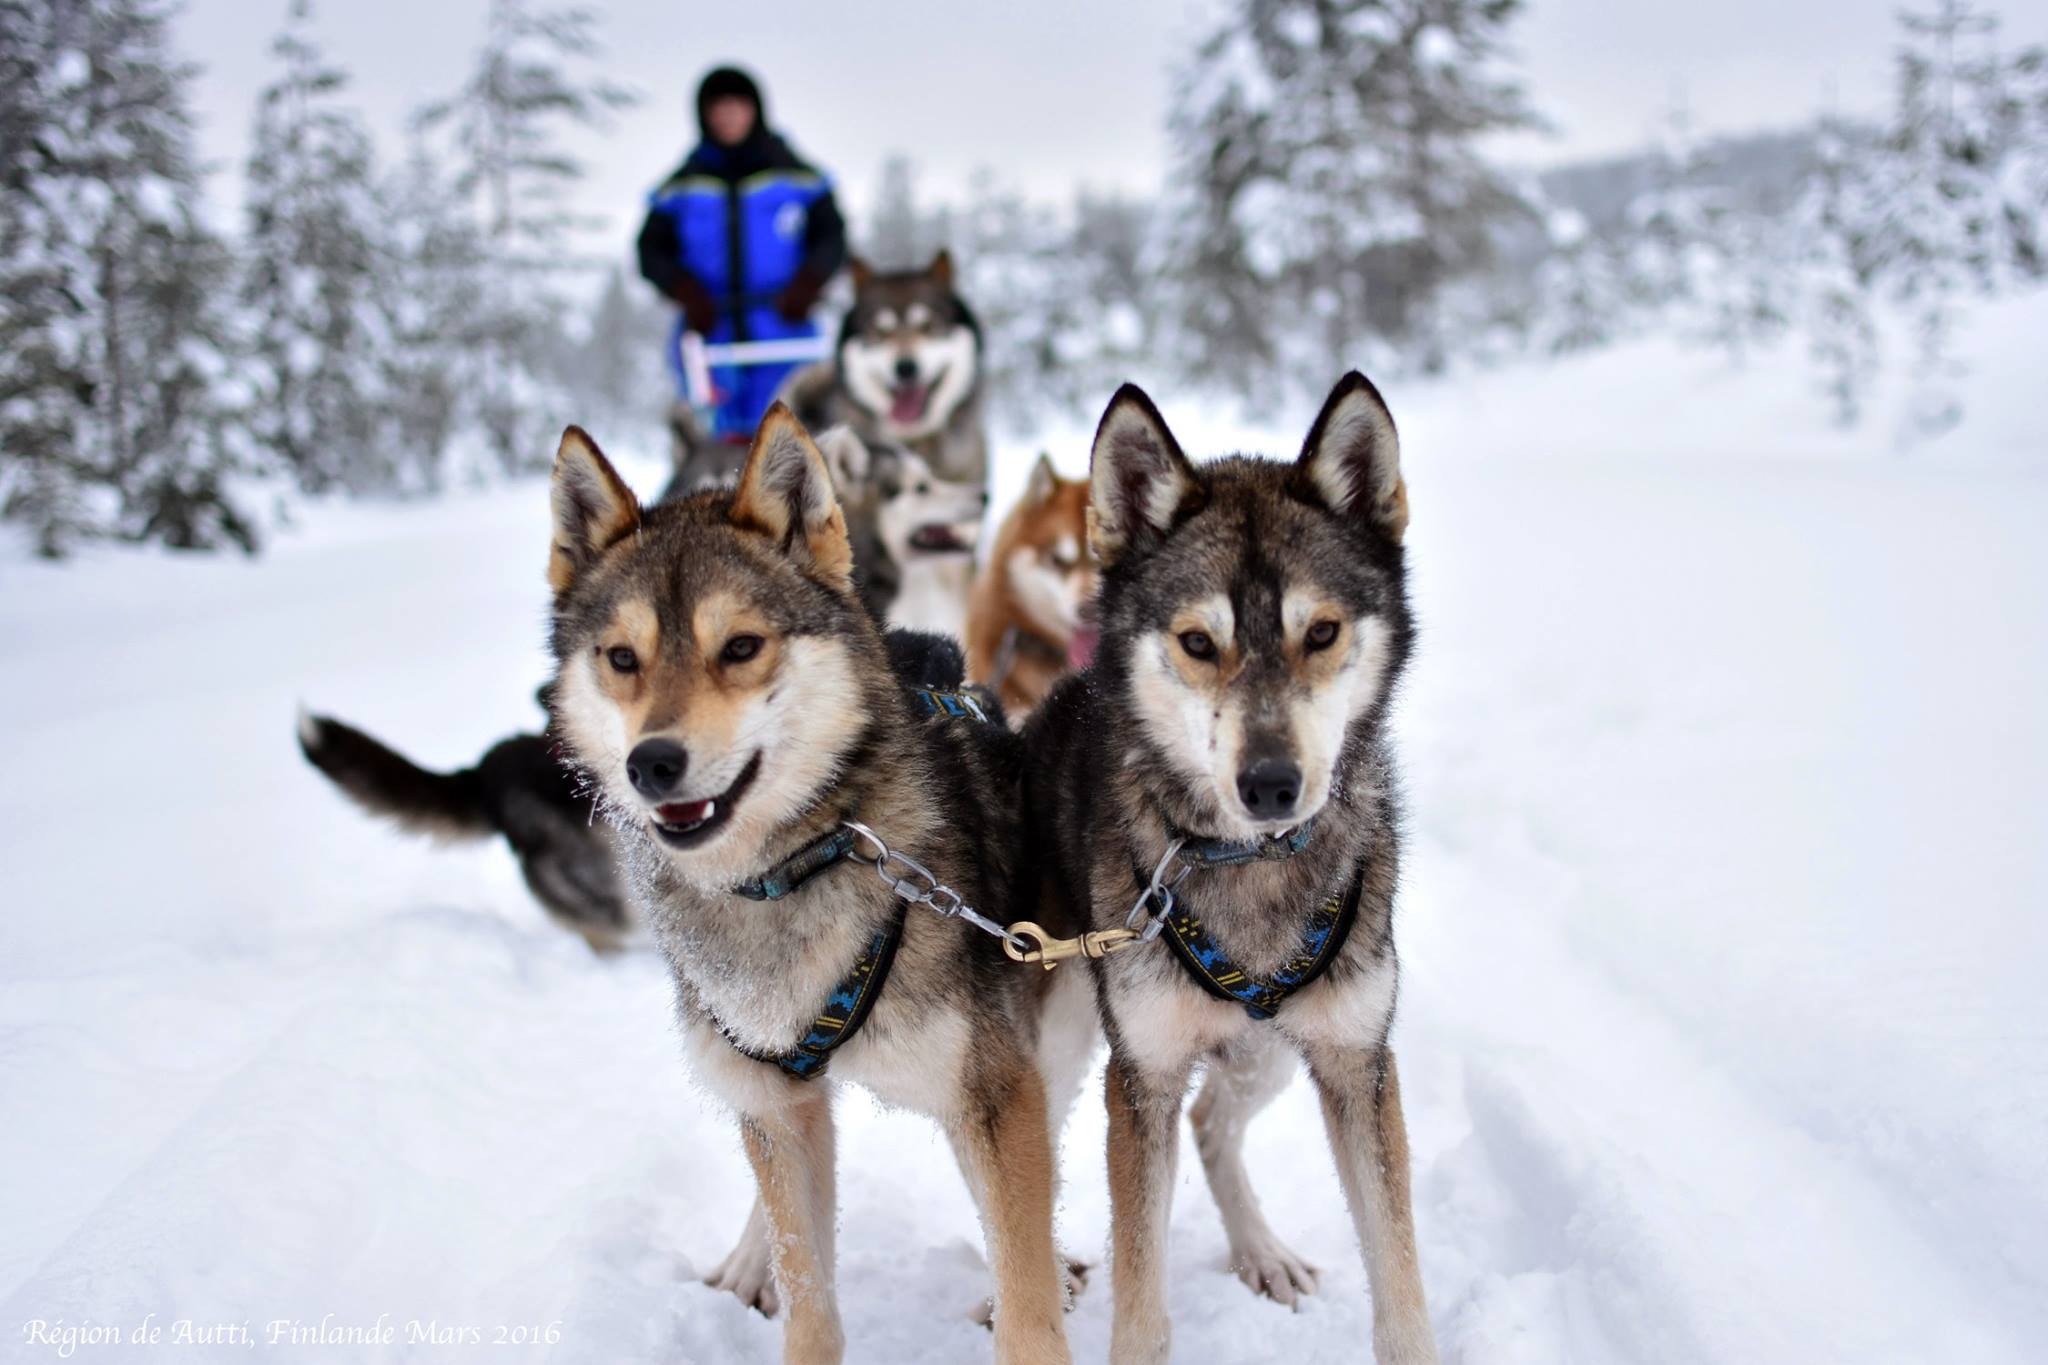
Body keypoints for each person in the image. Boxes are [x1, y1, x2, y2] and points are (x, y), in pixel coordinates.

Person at [637, 67, 847, 440]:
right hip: (710, 328)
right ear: (704, 116)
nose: (729, 117)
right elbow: (650, 252)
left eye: (737, 107)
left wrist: (809, 283)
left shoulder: (797, 177)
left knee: (792, 435)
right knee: (716, 442)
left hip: (784, 325)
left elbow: (832, 237)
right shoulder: (681, 186)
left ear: (755, 111)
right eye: (719, 109)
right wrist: (685, 291)